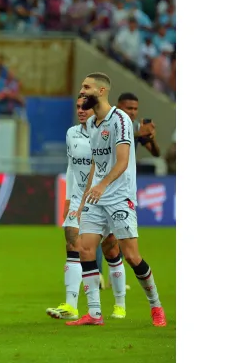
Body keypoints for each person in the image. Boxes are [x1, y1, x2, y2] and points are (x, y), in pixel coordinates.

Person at [68, 73, 166, 327]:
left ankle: (155, 305)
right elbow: (95, 164)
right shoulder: (92, 125)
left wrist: (102, 185)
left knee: (132, 256)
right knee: (85, 247)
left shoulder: (119, 119)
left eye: (86, 87)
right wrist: (83, 200)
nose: (82, 91)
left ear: (101, 91)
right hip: (96, 197)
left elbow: (122, 161)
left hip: (120, 196)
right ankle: (94, 313)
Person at [46, 95, 127, 321]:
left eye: (85, 107)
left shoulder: (105, 133)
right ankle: (71, 305)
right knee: (72, 243)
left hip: (103, 197)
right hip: (77, 198)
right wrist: (69, 200)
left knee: (111, 248)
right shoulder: (71, 133)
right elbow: (71, 167)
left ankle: (120, 303)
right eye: (78, 107)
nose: (81, 111)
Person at [116, 92, 161, 157]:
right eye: (129, 108)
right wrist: (137, 134)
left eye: (135, 109)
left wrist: (152, 138)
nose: (133, 113)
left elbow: (156, 154)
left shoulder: (137, 126)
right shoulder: (109, 123)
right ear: (118, 108)